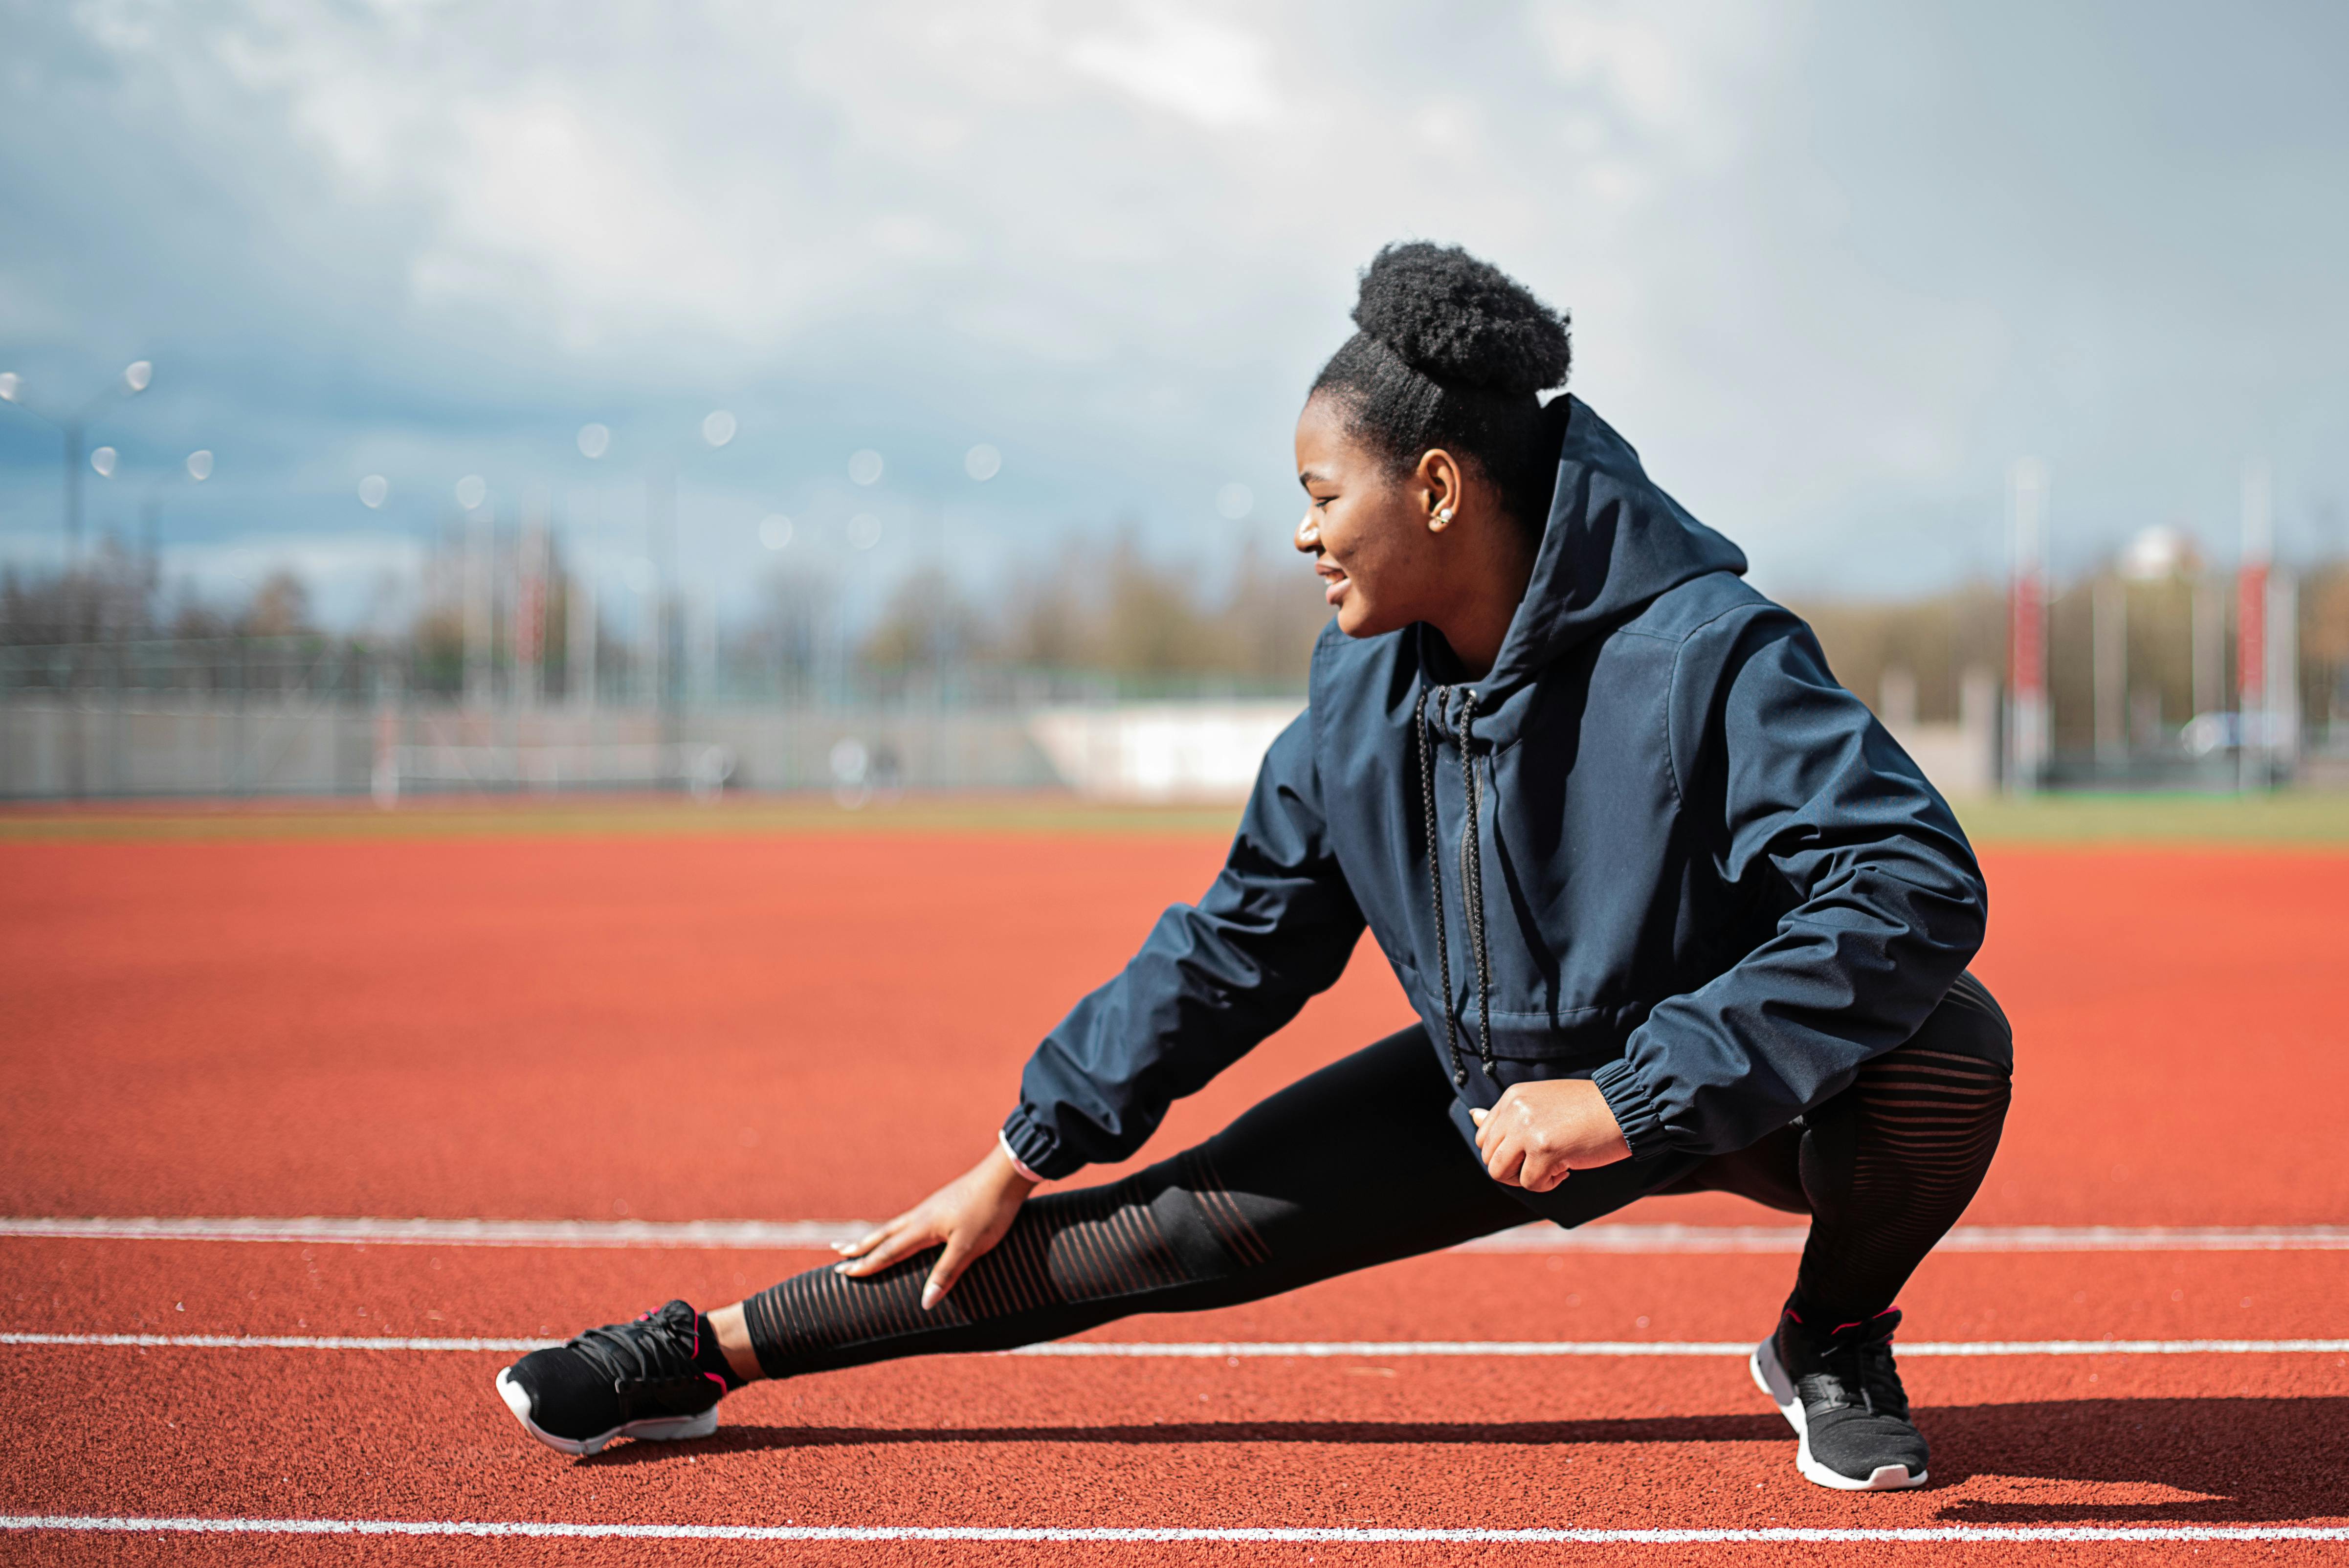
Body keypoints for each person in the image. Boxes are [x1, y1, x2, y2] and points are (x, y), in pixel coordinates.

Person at [495, 243, 2012, 1493]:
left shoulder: (1703, 652)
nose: (1300, 535)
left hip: (1727, 1083)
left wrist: (1636, 1091)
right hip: (1491, 1097)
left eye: (1318, 493)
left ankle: (1827, 1335)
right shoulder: (1356, 697)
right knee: (1144, 1238)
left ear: (1431, 489)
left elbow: (1912, 882)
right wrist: (1028, 1144)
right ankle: (701, 1351)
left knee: (1950, 1050)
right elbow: (1240, 942)